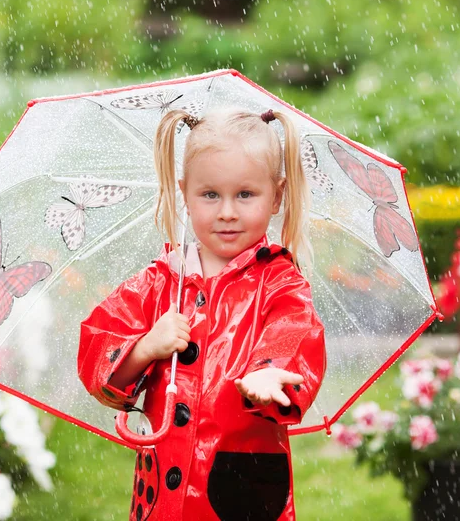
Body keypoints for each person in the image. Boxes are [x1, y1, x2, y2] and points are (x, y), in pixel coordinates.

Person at [77, 107, 326, 521]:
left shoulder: (279, 282)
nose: (227, 211)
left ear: (277, 194)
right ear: (184, 192)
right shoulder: (161, 281)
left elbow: (293, 330)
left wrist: (269, 371)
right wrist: (144, 349)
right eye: (210, 195)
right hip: (161, 496)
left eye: (245, 194)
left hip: (239, 489)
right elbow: (98, 348)